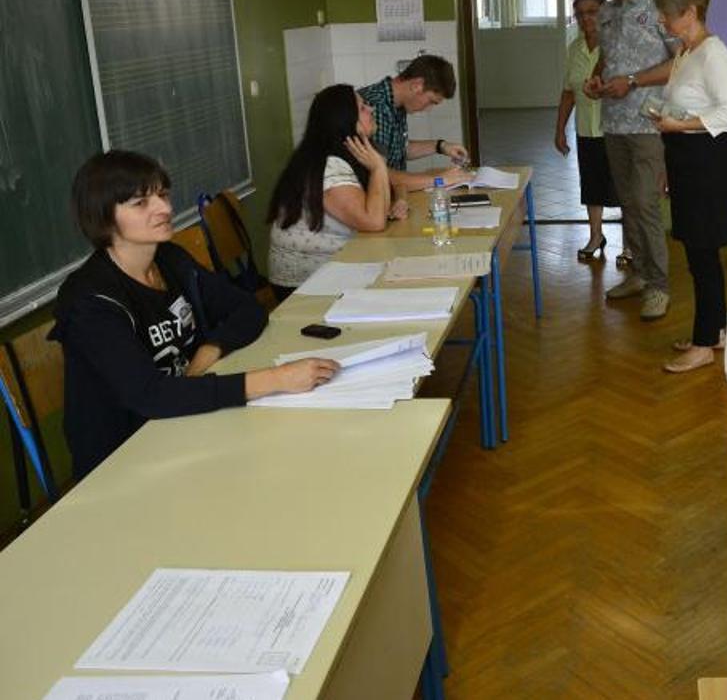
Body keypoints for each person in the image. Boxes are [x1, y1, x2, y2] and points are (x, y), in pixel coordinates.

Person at [50, 151, 339, 480]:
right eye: (141, 203)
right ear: (103, 218)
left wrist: (210, 348)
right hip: (125, 459)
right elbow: (151, 396)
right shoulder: (90, 301)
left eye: (162, 195)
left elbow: (247, 309)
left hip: (187, 423)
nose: (165, 209)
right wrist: (277, 379)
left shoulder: (170, 259)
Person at [650, 0, 727, 373]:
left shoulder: (714, 54)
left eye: (666, 13)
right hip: (687, 164)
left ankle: (705, 344)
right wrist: (670, 160)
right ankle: (716, 330)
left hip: (710, 169)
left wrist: (679, 126)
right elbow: (688, 107)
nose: (660, 20)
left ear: (690, 11)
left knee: (702, 256)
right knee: (697, 255)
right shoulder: (686, 53)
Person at [584, 0, 678, 321]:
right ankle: (638, 273)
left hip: (648, 123)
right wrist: (596, 79)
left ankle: (658, 286)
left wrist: (634, 81)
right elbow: (608, 59)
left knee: (645, 203)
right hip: (613, 122)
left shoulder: (660, 8)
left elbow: (682, 62)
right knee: (626, 202)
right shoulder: (607, 12)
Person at [267, 84, 403, 299]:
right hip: (304, 283)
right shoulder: (329, 165)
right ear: (345, 120)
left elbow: (378, 210)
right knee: (399, 284)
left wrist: (393, 202)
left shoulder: (342, 155)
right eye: (363, 108)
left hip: (332, 267)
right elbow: (373, 222)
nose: (371, 110)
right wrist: (378, 168)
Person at [555, 0, 620, 261]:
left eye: (592, 12)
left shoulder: (618, 44)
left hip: (616, 130)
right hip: (586, 129)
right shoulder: (575, 48)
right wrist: (559, 130)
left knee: (621, 186)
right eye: (580, 14)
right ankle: (596, 236)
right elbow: (569, 91)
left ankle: (629, 244)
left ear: (604, 13)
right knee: (591, 186)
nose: (586, 19)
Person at [358, 54, 470, 193]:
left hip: (397, 196)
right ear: (416, 85)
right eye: (431, 101)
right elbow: (380, 174)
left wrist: (441, 146)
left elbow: (398, 148)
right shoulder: (376, 107)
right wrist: (440, 180)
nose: (429, 109)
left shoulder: (396, 102)